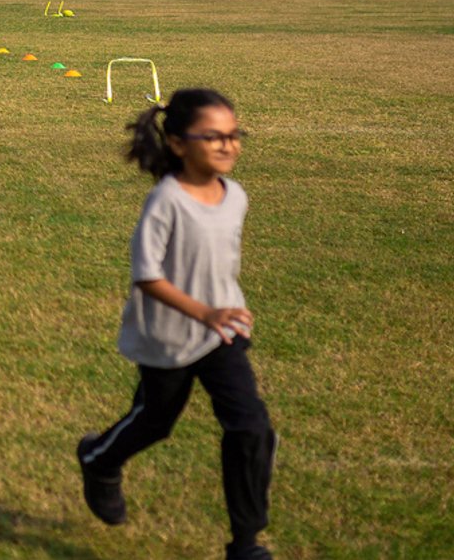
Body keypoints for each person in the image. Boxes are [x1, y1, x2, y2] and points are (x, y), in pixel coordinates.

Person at [76, 89, 275, 560]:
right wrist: (203, 310)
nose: (228, 145)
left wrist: (220, 311)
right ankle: (98, 459)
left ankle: (246, 544)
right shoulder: (166, 201)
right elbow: (147, 275)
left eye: (234, 135)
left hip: (221, 334)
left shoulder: (236, 196)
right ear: (179, 143)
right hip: (167, 336)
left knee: (251, 426)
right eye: (213, 137)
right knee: (155, 421)